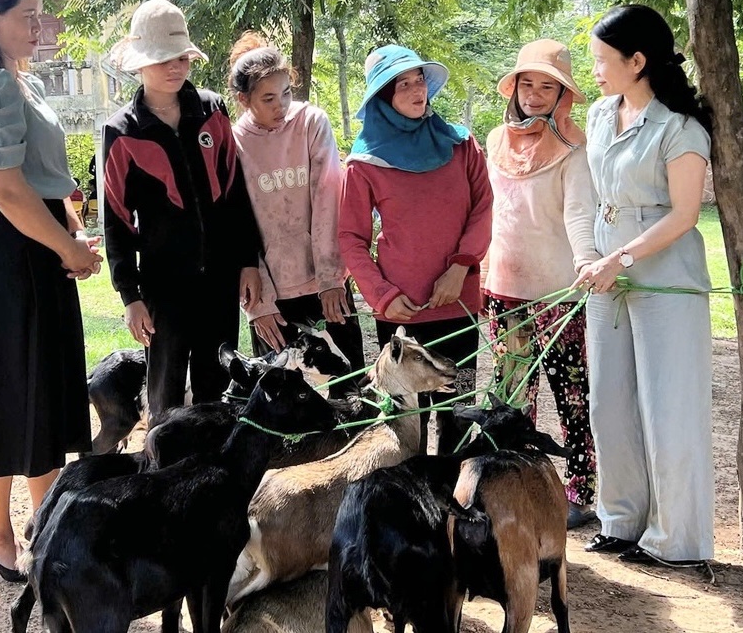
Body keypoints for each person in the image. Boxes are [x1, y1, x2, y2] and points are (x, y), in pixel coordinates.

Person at [0, 0, 102, 582]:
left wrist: (71, 230)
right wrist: (66, 249)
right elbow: (7, 191)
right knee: (3, 392)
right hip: (1, 254)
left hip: (38, 246)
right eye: (27, 15)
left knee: (42, 391)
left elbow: (44, 178)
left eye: (42, 12)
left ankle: (49, 524)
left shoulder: (24, 83)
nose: (41, 26)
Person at [574, 4, 714, 566]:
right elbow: (590, 197)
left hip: (666, 284)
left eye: (603, 61)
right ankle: (621, 520)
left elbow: (684, 215)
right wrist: (592, 258)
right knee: (608, 403)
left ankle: (674, 540)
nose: (596, 72)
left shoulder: (681, 130)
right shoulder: (600, 116)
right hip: (606, 282)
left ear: (638, 60)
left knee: (667, 409)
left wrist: (621, 257)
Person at [103, 0, 262, 420]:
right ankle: (162, 479)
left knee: (218, 387)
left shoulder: (212, 111)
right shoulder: (122, 132)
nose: (175, 68)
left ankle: (214, 477)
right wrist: (130, 295)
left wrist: (248, 262)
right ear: (140, 64)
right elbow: (116, 219)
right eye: (162, 60)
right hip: (163, 283)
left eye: (181, 58)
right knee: (166, 392)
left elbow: (236, 194)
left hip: (221, 275)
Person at [339, 45, 493, 454]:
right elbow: (351, 239)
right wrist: (384, 297)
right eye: (401, 84)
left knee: (457, 404)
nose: (415, 90)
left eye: (419, 79)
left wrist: (461, 267)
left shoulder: (462, 146)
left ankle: (450, 503)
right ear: (383, 98)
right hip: (401, 313)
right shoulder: (365, 163)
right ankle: (407, 504)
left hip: (457, 305)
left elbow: (483, 209)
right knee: (405, 416)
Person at [482, 39, 599, 529]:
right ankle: (515, 488)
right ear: (514, 87)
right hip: (502, 289)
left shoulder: (575, 149)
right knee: (511, 395)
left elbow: (578, 213)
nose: (534, 94)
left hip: (558, 293)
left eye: (546, 86)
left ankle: (580, 493)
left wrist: (587, 261)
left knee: (571, 393)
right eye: (526, 83)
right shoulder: (493, 140)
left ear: (562, 94)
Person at [228, 32, 364, 370]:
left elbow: (328, 201)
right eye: (268, 99)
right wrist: (258, 305)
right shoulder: (233, 143)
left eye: (286, 93)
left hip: (325, 286)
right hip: (271, 296)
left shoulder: (311, 123)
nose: (281, 106)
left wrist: (331, 280)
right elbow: (235, 225)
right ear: (244, 100)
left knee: (350, 392)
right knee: (284, 408)